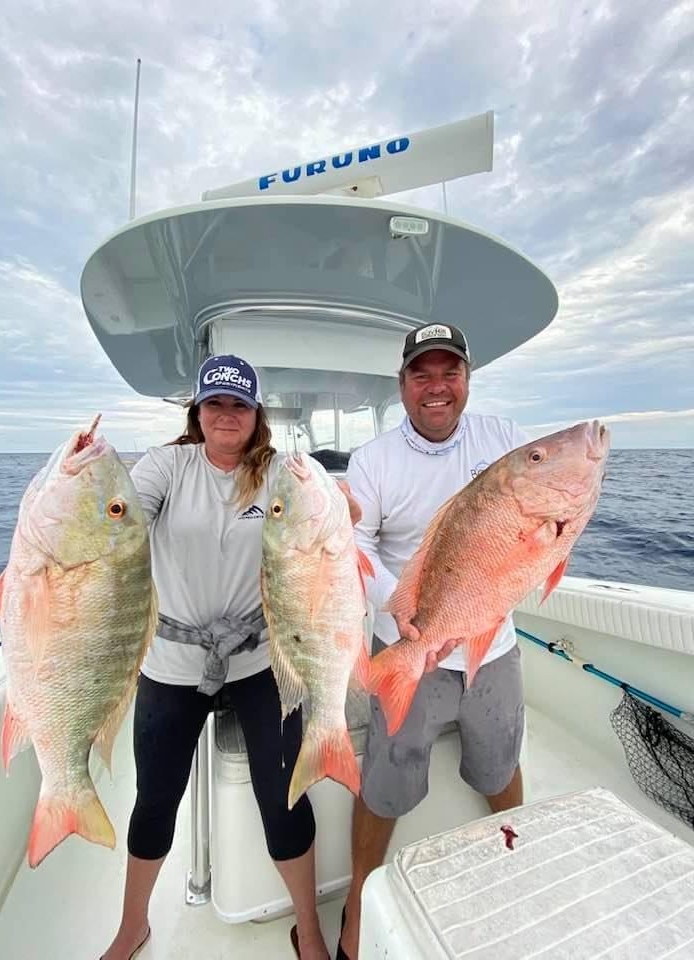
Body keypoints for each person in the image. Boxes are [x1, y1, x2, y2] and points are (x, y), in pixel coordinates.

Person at [100, 354, 330, 960]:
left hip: (260, 660)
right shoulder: (166, 465)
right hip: (174, 664)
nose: (226, 414)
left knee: (284, 798)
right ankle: (133, 926)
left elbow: (324, 521)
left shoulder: (283, 474)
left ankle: (307, 925)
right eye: (215, 403)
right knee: (154, 801)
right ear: (197, 412)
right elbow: (127, 514)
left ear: (257, 416)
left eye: (239, 405)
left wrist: (344, 507)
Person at [338, 323, 529, 960]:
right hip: (407, 647)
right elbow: (355, 546)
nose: (437, 387)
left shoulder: (504, 443)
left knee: (500, 766)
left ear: (468, 380)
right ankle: (358, 905)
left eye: (450, 372)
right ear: (402, 386)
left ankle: (516, 862)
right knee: (385, 784)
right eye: (422, 374)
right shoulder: (374, 461)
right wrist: (399, 601)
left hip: (492, 646)